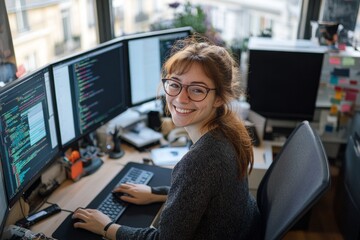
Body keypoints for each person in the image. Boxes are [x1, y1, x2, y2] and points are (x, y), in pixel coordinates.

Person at [72, 36, 261, 240]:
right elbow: (203, 192)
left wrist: (107, 227)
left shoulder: (201, 160)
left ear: (220, 98)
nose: (180, 98)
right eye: (175, 84)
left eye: (197, 90)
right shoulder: (226, 130)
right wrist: (156, 193)